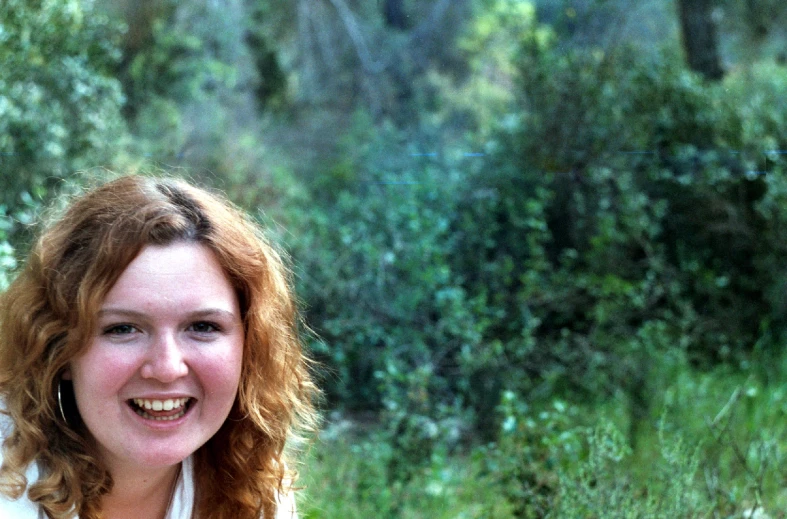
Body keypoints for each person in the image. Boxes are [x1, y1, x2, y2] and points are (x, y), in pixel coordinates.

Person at [0, 175, 319, 519]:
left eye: (202, 327)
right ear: (56, 346)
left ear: (249, 346)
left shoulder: (258, 497)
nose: (167, 368)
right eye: (122, 328)